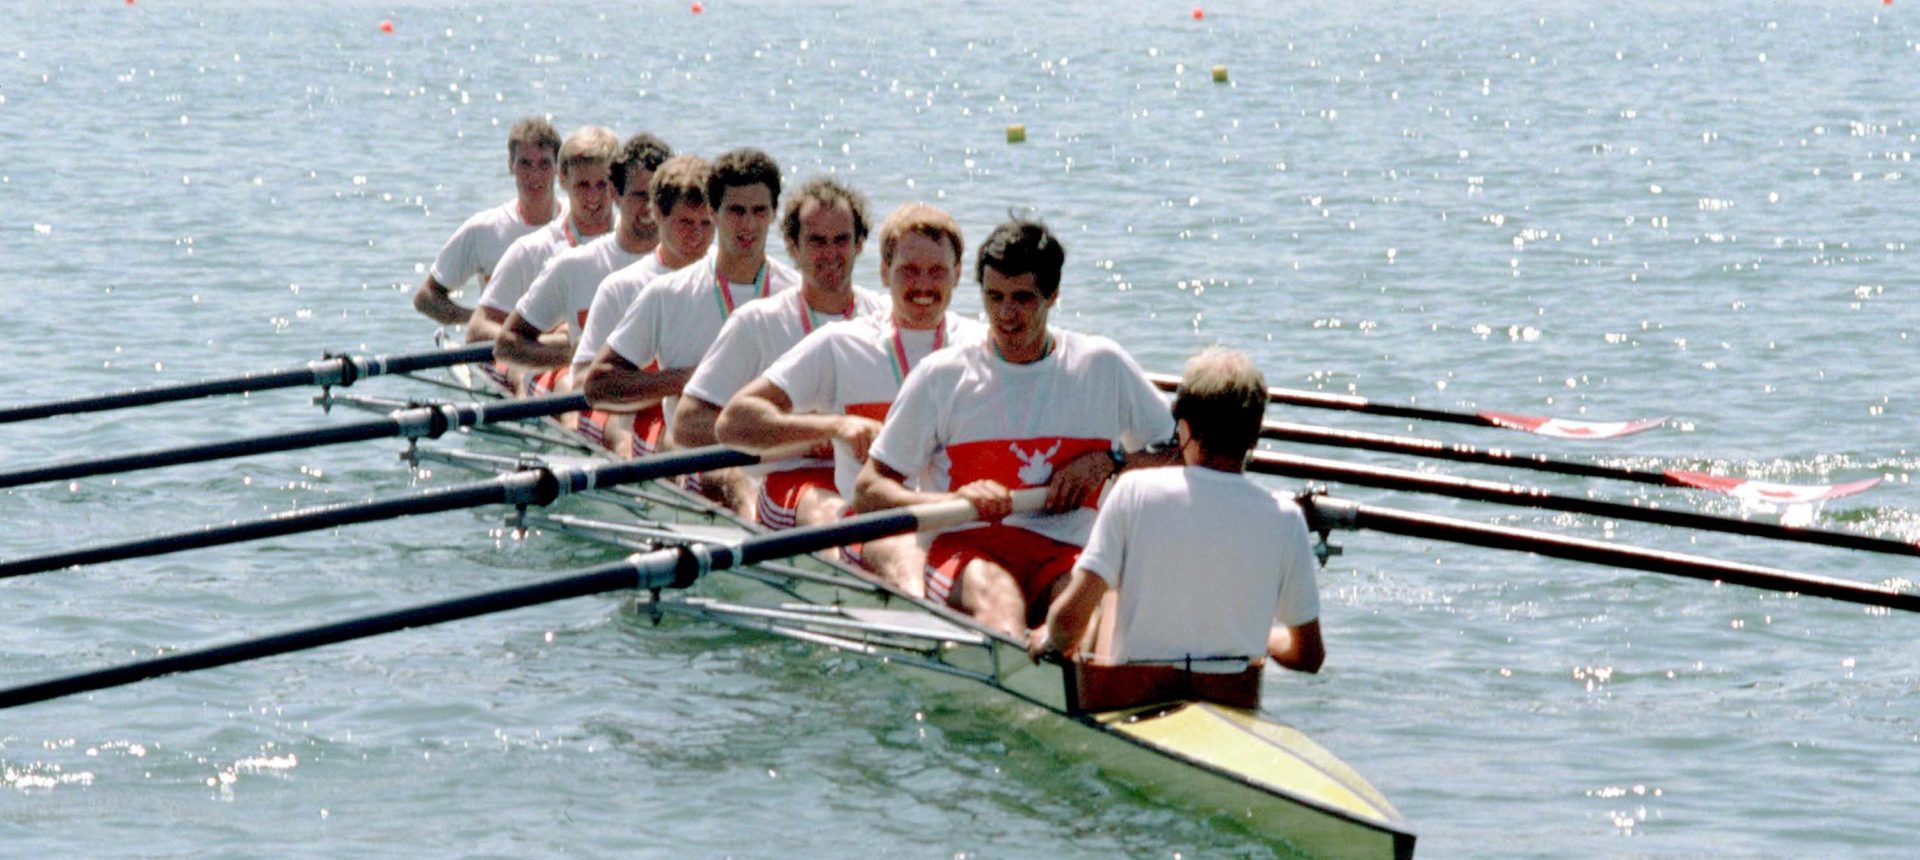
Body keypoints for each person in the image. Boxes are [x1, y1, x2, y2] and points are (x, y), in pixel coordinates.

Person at [854, 218, 1178, 636]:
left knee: (1082, 614)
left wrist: (1110, 461)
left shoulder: (1101, 366)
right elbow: (867, 491)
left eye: (1022, 299)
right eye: (994, 297)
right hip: (966, 550)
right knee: (1001, 601)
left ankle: (1066, 668)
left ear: (1053, 295)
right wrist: (951, 500)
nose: (1006, 315)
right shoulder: (942, 376)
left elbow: (1179, 453)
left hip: (1067, 553)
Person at [1026, 347, 1325, 711]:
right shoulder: (1286, 517)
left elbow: (1069, 622)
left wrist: (1048, 638)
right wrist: (1257, 633)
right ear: (1254, 436)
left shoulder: (1135, 491)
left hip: (1135, 698)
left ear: (1183, 430)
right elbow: (1309, 656)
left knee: (1108, 597)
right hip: (1231, 698)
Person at [716, 203, 981, 594]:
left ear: (957, 275)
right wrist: (836, 425)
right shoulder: (841, 344)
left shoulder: (981, 347)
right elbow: (734, 422)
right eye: (908, 270)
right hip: (867, 521)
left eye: (936, 271)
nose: (923, 285)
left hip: (955, 520)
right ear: (884, 272)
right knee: (905, 555)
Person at [676, 176, 888, 521]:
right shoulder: (757, 323)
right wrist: (806, 433)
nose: (831, 254)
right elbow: (688, 424)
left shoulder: (882, 318)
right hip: (790, 479)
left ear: (860, 244)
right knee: (831, 512)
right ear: (792, 246)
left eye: (841, 241)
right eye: (816, 241)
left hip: (868, 476)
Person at [581, 148, 799, 466]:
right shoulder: (666, 294)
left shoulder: (796, 293)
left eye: (759, 211)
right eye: (736, 211)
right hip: (703, 460)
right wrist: (695, 378)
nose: (748, 225)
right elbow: (598, 385)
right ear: (714, 211)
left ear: (774, 213)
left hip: (783, 454)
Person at [493, 132, 673, 400]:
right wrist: (577, 355)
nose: (650, 208)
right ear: (616, 194)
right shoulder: (573, 266)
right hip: (600, 398)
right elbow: (507, 346)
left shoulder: (696, 267)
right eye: (638, 196)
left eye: (658, 198)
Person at [567, 154, 716, 455]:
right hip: (642, 421)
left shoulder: (732, 281)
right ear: (658, 214)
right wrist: (686, 380)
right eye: (686, 222)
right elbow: (584, 384)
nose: (698, 235)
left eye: (707, 223)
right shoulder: (622, 287)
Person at [466, 125, 620, 345]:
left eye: (602, 185)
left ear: (617, 185)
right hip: (552, 365)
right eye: (583, 185)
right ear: (563, 180)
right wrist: (552, 339)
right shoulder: (531, 251)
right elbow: (478, 330)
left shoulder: (640, 243)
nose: (593, 197)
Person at [410, 117, 563, 326]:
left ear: (558, 168)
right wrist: (482, 321)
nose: (534, 175)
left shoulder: (581, 222)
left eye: (544, 164)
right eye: (525, 164)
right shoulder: (483, 229)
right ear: (511, 166)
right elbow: (426, 299)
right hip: (501, 352)